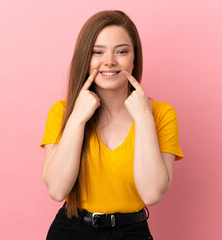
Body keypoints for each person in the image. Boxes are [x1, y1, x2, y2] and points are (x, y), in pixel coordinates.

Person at [40, 10, 184, 240]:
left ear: (134, 58)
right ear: (85, 58)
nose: (109, 61)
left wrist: (143, 117)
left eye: (122, 51)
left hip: (132, 232)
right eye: (98, 52)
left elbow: (152, 193)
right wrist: (77, 118)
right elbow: (57, 190)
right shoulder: (63, 112)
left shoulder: (161, 114)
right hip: (71, 231)